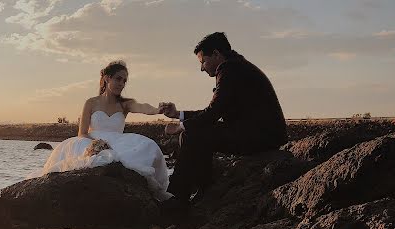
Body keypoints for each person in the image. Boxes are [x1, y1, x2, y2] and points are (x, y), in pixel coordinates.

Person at [159, 32, 287, 203]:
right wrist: (178, 115)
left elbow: (213, 113)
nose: (202, 68)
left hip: (261, 136)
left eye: (203, 61)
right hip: (261, 132)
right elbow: (215, 110)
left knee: (191, 134)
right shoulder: (237, 66)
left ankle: (178, 198)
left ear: (217, 54)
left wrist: (182, 126)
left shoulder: (230, 70)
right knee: (195, 133)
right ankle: (199, 190)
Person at [41, 61, 171, 200]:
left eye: (124, 81)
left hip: (118, 142)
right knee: (82, 146)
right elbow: (82, 132)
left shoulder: (125, 104)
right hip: (90, 140)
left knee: (149, 145)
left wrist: (157, 110)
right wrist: (97, 144)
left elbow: (142, 107)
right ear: (107, 78)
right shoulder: (91, 102)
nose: (121, 83)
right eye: (118, 79)